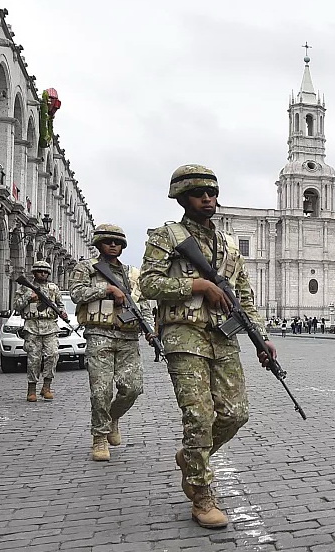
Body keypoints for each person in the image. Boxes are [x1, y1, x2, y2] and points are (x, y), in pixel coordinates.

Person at [140, 164, 276, 529]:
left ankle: (191, 456)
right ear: (183, 198)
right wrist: (198, 287)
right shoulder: (165, 237)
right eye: (200, 193)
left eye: (212, 193)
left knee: (235, 414)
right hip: (184, 335)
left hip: (223, 337)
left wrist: (262, 339)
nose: (208, 199)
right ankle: (201, 494)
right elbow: (150, 285)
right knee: (198, 416)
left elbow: (244, 297)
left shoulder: (231, 246)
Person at [70, 224, 155, 463]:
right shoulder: (86, 268)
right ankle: (99, 436)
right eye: (108, 241)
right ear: (99, 244)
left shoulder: (131, 274)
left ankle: (112, 417)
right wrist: (106, 289)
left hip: (128, 337)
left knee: (133, 388)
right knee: (101, 391)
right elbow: (76, 293)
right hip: (99, 334)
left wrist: (150, 330)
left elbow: (143, 305)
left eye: (118, 242)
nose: (114, 246)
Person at [13, 260, 67, 402]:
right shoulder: (25, 288)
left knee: (52, 355)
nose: (43, 274)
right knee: (33, 360)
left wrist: (63, 313)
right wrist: (28, 297)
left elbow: (60, 305)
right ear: (34, 273)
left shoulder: (53, 288)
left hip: (50, 326)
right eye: (40, 271)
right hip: (32, 327)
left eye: (45, 272)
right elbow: (16, 306)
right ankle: (31, 390)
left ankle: (47, 386)